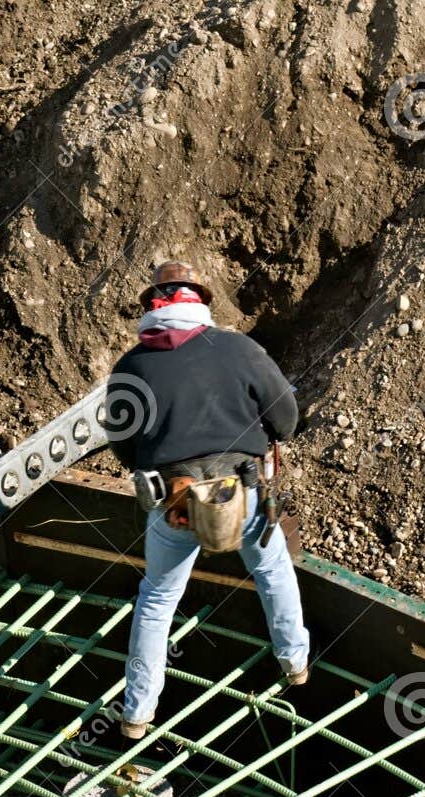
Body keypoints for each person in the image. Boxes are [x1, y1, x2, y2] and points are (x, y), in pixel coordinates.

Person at [106, 260, 310, 742]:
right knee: (272, 568)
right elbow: (285, 416)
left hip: (175, 502)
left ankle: (137, 713)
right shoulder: (237, 348)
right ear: (200, 301)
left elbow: (123, 447)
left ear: (153, 305)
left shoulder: (131, 367)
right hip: (241, 493)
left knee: (157, 600)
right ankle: (295, 664)